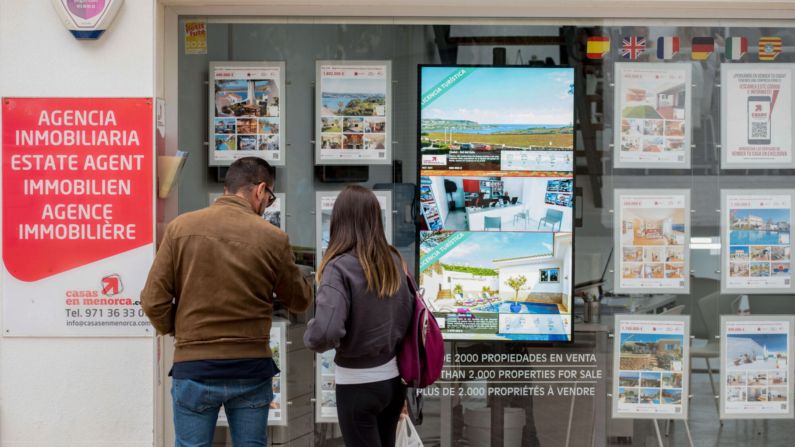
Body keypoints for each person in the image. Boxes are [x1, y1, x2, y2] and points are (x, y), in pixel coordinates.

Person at [141, 157, 313, 447]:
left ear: (226, 188)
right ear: (260, 190)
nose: (266, 205)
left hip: (194, 367)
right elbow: (299, 301)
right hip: (251, 368)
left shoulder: (180, 228)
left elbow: (153, 301)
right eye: (269, 198)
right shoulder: (273, 238)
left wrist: (182, 333)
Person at [304, 185, 414, 447]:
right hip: (392, 383)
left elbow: (326, 332)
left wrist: (310, 333)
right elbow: (407, 315)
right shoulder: (394, 260)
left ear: (339, 221)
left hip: (356, 386)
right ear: (376, 219)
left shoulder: (338, 266)